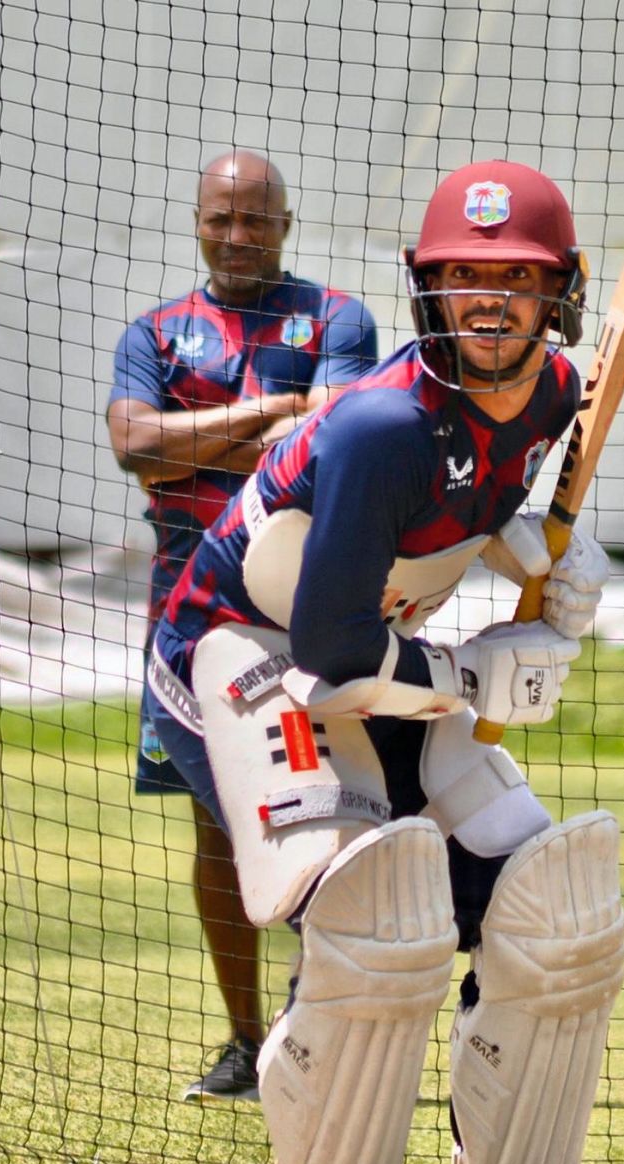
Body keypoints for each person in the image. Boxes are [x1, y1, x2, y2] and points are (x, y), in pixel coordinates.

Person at [143, 159, 624, 1164]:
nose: (489, 301)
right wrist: (477, 672)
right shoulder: (379, 426)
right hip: (236, 651)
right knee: (380, 925)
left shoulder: (552, 392)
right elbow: (327, 638)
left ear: (561, 294)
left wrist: (542, 550)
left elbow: (478, 486)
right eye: (464, 275)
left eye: (517, 279)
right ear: (429, 288)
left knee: (559, 917)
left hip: (365, 652)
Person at [106, 149, 379, 1103]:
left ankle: (323, 1025)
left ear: (285, 223)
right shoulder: (157, 331)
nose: (237, 236)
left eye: (256, 219)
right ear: (197, 220)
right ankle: (244, 1043)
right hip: (185, 610)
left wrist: (207, 435)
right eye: (221, 219)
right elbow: (136, 448)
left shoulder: (338, 317)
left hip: (298, 601)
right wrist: (272, 408)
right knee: (213, 826)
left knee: (329, 806)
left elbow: (333, 435)